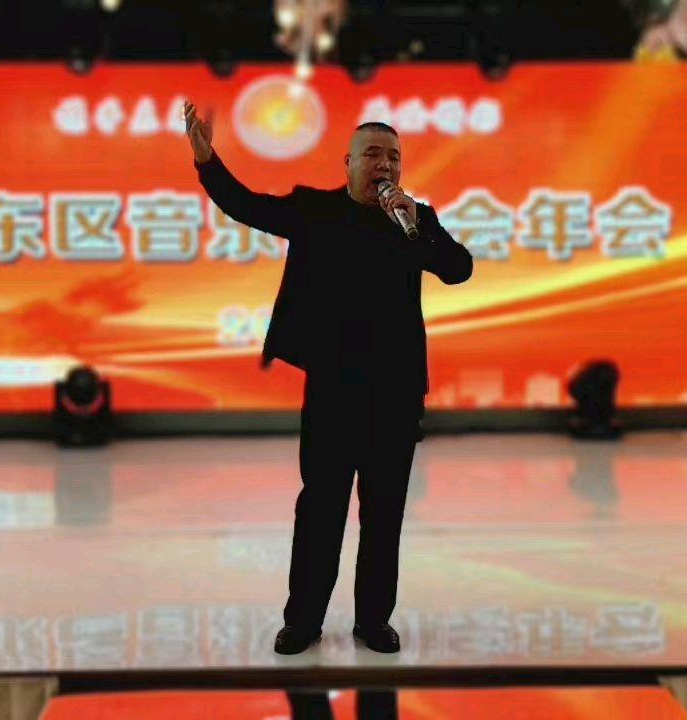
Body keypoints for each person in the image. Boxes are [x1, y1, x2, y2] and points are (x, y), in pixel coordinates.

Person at [184, 100, 472, 655]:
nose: (384, 164)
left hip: (395, 393)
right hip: (334, 391)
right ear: (349, 163)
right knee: (320, 509)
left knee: (384, 514)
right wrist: (206, 160)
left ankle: (374, 620)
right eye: (373, 154)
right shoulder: (316, 212)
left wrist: (417, 230)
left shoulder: (416, 221)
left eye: (394, 156)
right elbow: (244, 205)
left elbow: (459, 269)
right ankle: (303, 620)